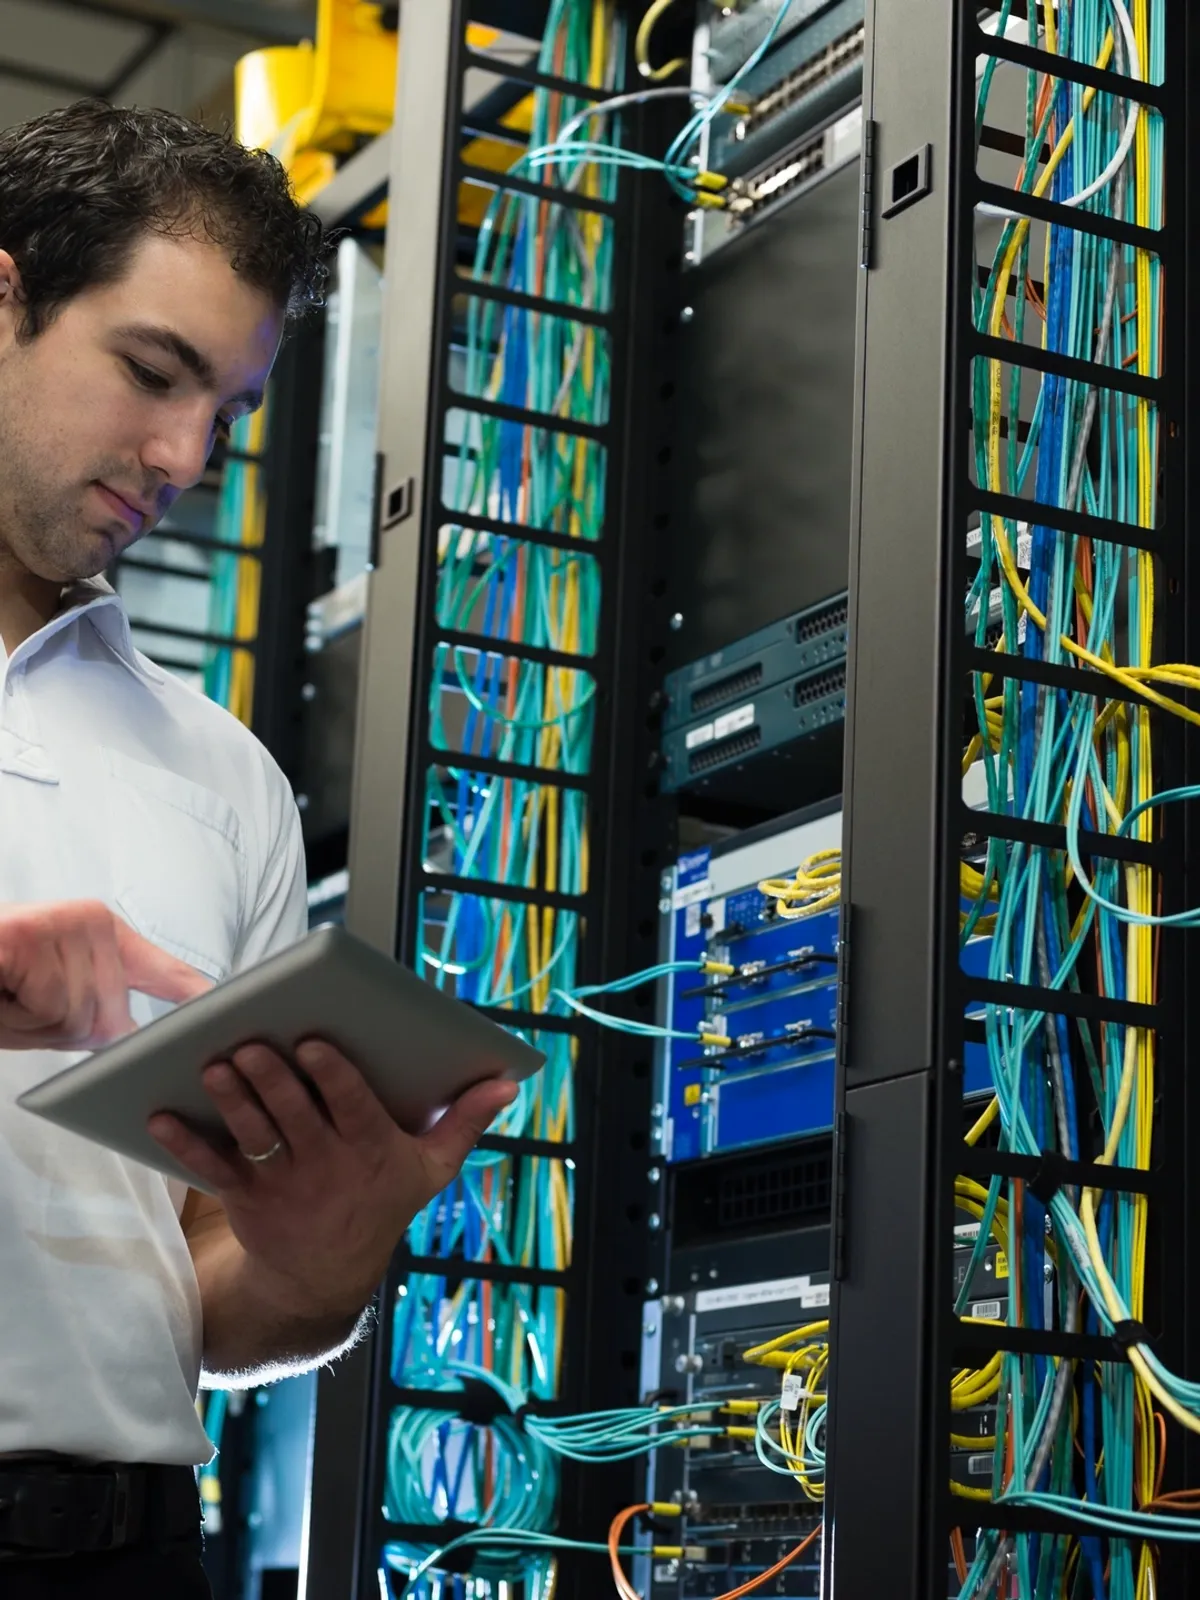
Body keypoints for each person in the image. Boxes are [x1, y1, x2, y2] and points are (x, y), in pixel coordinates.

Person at [0, 99, 517, 1597]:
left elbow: (207, 1294)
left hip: (127, 1549)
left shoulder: (222, 777)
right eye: (152, 373)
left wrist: (314, 1259)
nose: (183, 455)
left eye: (224, 409)